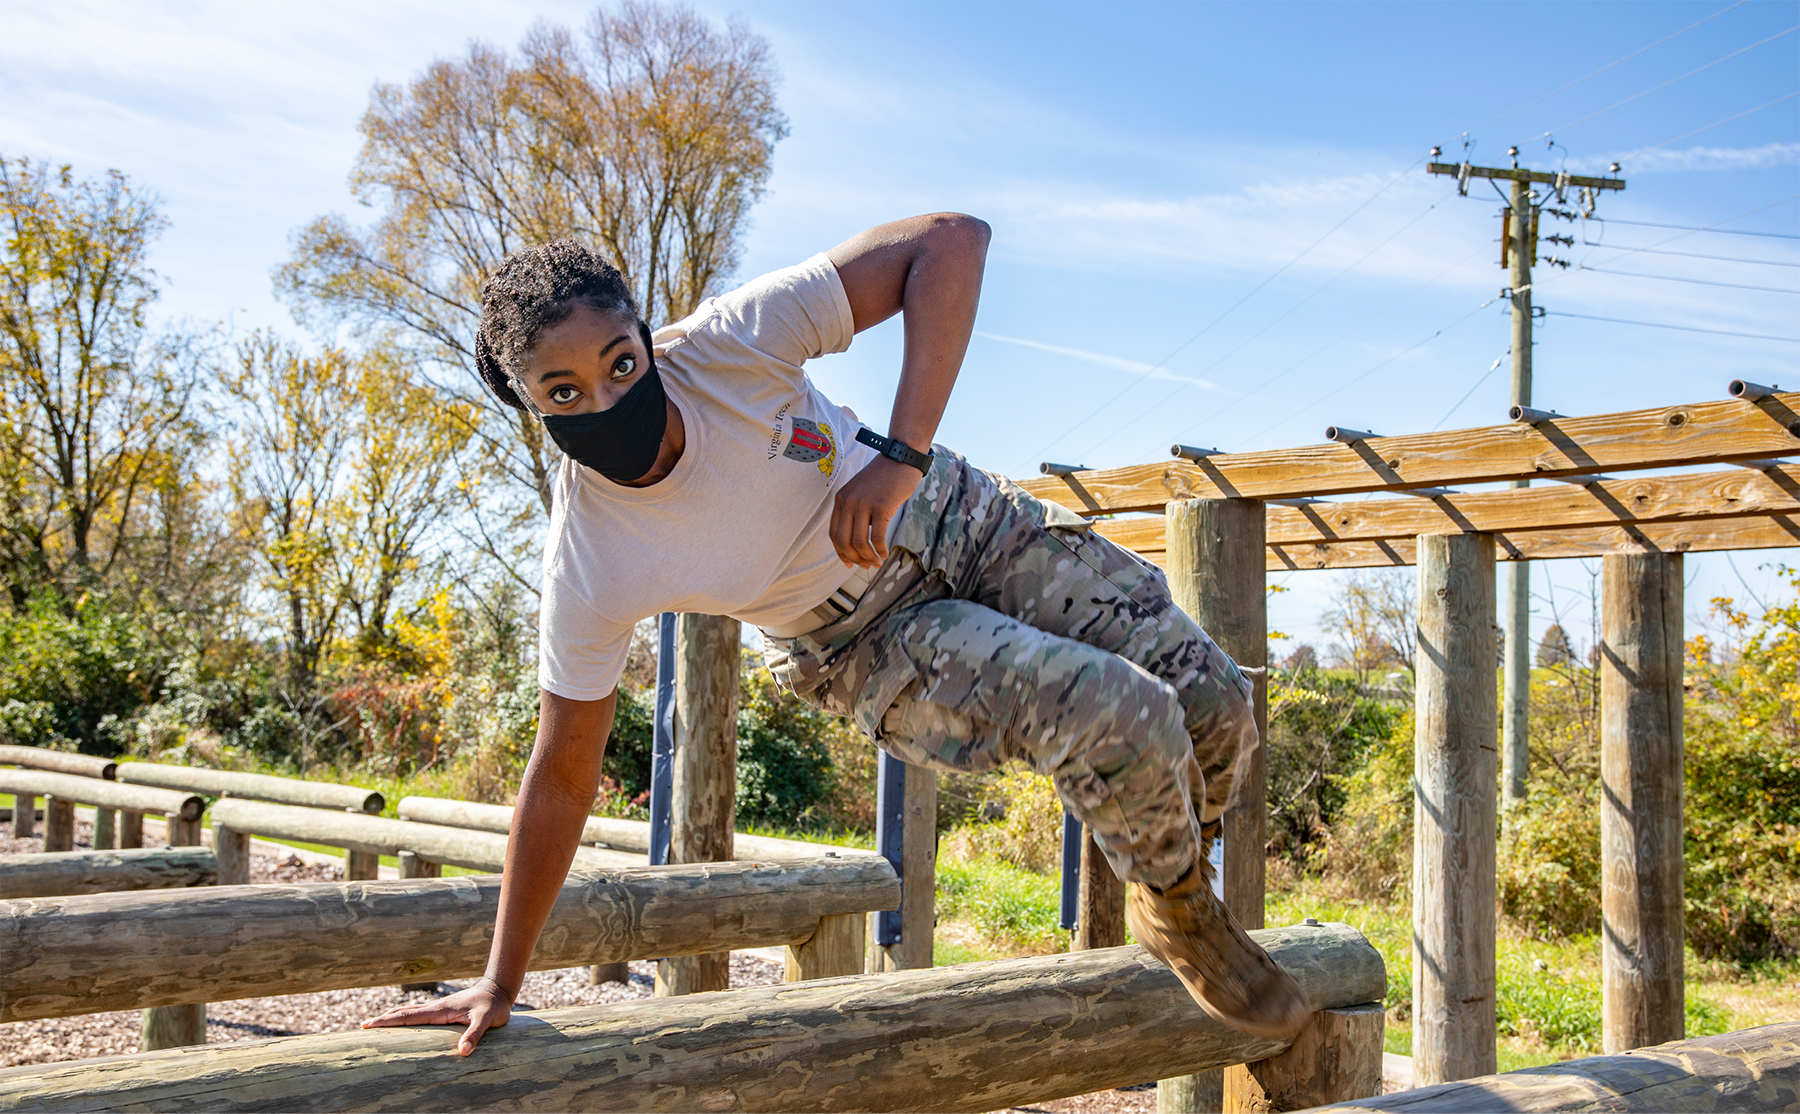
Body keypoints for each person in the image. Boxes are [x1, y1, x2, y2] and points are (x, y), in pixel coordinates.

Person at [363, 213, 1309, 1056]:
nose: (607, 402)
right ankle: (1179, 912)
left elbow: (952, 242)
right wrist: (501, 980)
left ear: (648, 340)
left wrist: (900, 455)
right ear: (530, 408)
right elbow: (563, 772)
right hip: (866, 641)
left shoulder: (732, 344)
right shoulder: (592, 560)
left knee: (1215, 704)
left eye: (620, 363)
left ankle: (1171, 865)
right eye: (563, 394)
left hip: (961, 520)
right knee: (1123, 715)